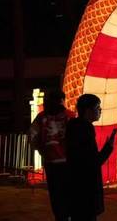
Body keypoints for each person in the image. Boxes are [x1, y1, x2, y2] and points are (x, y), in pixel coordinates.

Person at [66, 94, 117, 221]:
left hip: (76, 186)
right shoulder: (85, 129)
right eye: (98, 107)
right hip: (86, 189)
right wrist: (108, 147)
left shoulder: (73, 127)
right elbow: (93, 162)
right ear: (88, 111)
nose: (100, 110)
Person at [29, 90, 75, 221]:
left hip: (51, 162)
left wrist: (41, 150)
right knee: (70, 194)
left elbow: (32, 136)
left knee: (56, 196)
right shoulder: (70, 116)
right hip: (69, 162)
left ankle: (60, 217)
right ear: (62, 100)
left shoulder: (42, 117)